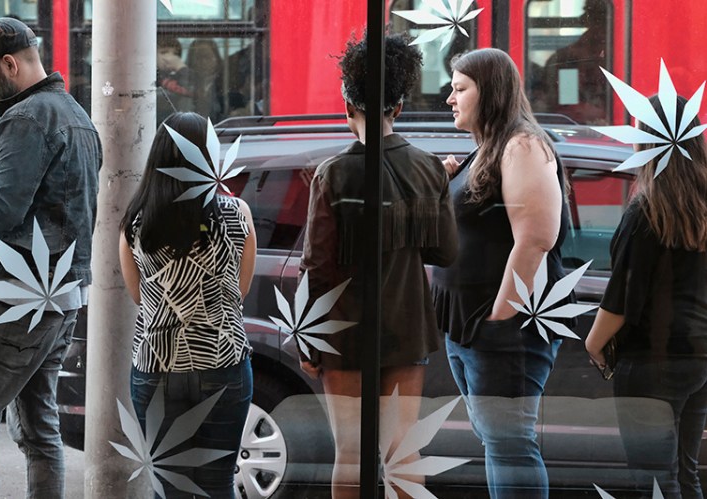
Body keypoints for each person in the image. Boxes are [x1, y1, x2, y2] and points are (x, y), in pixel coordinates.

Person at [300, 33, 458, 498]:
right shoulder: (429, 168)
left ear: (348, 105)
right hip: (407, 325)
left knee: (350, 453)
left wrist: (309, 342)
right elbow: (444, 253)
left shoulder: (334, 173)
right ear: (399, 107)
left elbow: (318, 266)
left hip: (343, 331)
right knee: (402, 452)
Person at [0, 17, 101, 498]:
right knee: (40, 429)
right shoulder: (75, 114)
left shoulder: (23, 119)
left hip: (12, 298)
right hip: (60, 295)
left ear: (10, 64)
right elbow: (46, 204)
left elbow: (0, 215)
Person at [431, 48, 571, 498]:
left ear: (488, 91)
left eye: (459, 89)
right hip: (468, 327)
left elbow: (537, 238)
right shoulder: (486, 150)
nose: (449, 99)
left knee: (510, 444)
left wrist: (499, 319)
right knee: (499, 443)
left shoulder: (522, 144)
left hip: (497, 330)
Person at [119, 112, 257, 498]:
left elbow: (139, 296)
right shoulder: (237, 213)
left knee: (168, 485)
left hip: (156, 366)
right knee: (217, 483)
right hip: (223, 362)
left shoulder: (135, 222)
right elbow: (238, 293)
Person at [586, 95, 707, 498]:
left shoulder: (646, 212)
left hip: (653, 359)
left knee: (653, 480)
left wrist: (595, 343)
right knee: (685, 473)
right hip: (700, 356)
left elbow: (623, 295)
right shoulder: (702, 207)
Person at [156, 37, 195, 123]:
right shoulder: (153, 77)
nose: (170, 58)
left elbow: (192, 89)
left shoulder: (179, 75)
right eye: (164, 52)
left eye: (175, 54)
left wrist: (181, 68)